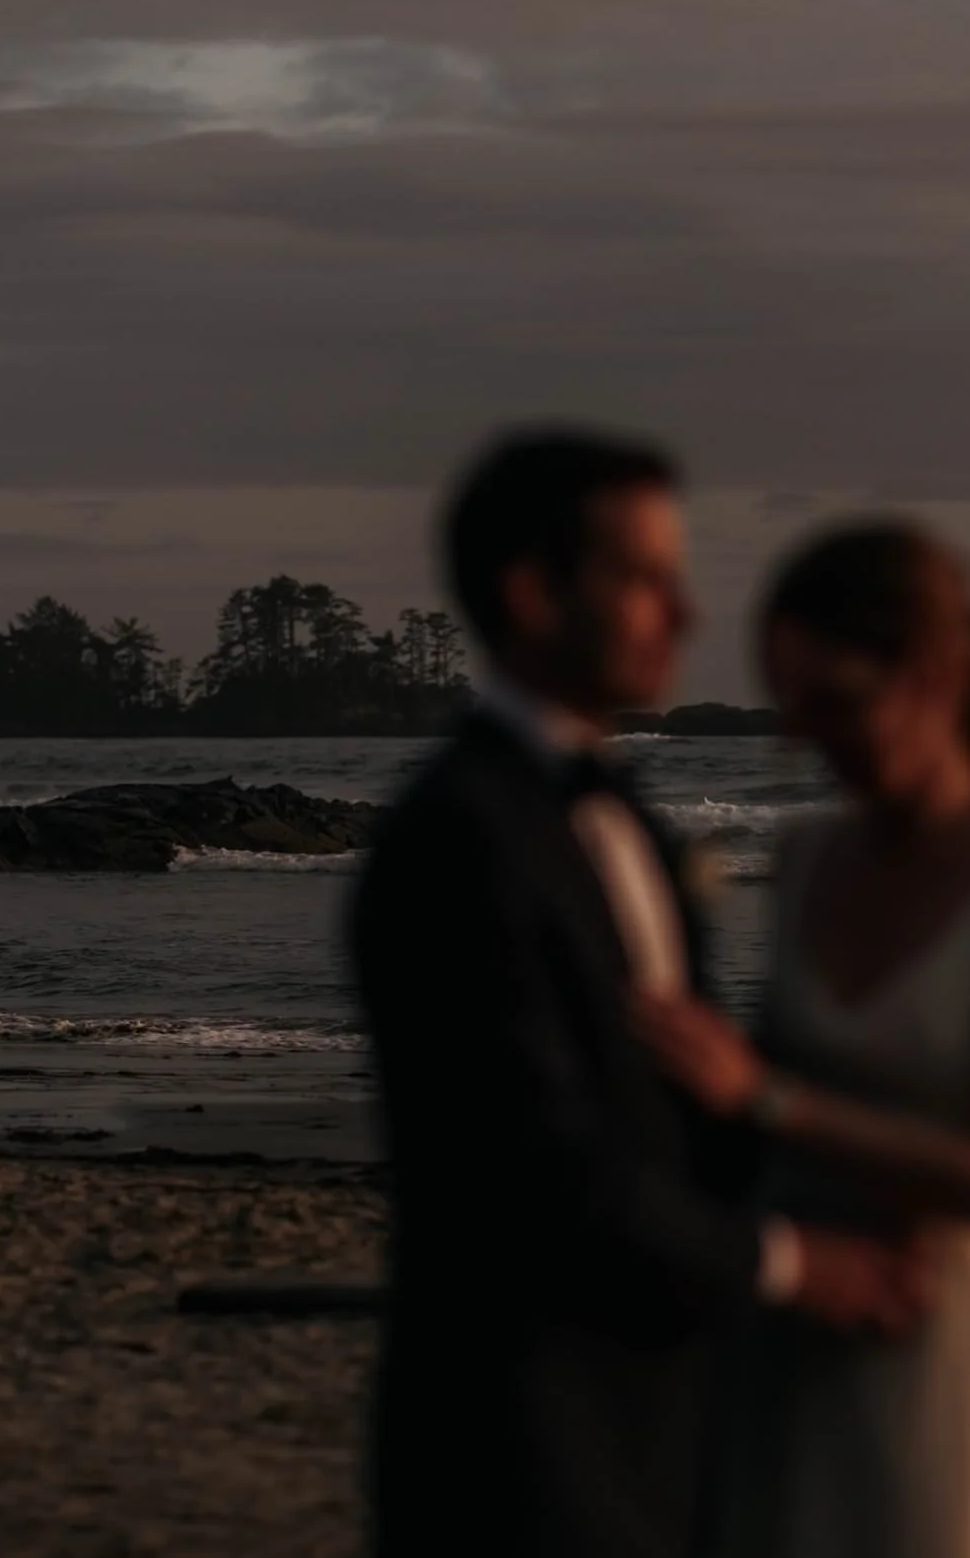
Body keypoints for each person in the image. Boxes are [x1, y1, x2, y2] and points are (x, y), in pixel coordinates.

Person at [349, 427, 926, 1558]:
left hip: (666, 1424)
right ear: (530, 592)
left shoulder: (624, 821)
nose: (687, 613)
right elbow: (538, 1168)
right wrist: (793, 1262)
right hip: (523, 1445)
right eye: (647, 578)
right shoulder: (456, 842)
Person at [631, 519, 970, 1558]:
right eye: (797, 715)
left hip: (944, 1334)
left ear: (938, 670)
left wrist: (762, 1096)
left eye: (843, 704)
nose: (821, 744)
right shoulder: (806, 857)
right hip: (796, 1323)